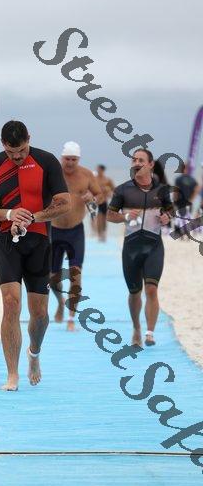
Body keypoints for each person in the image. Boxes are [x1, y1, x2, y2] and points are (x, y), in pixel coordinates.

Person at [0, 120, 70, 391]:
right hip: (8, 241)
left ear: (29, 139)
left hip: (39, 242)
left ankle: (34, 354)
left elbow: (65, 203)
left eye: (22, 151)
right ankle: (12, 374)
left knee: (39, 314)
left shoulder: (46, 161)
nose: (17, 157)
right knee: (11, 303)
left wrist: (32, 217)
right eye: (11, 152)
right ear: (3, 145)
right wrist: (8, 214)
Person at [107, 148, 173, 347]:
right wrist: (126, 216)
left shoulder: (162, 190)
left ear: (151, 165)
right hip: (131, 248)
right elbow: (110, 215)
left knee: (151, 289)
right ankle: (136, 328)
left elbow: (171, 211)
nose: (136, 163)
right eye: (134, 160)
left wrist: (167, 217)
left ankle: (149, 333)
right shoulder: (122, 190)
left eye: (141, 160)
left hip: (154, 247)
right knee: (135, 292)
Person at [50, 142, 104, 331]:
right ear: (61, 158)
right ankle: (59, 302)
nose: (70, 163)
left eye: (74, 159)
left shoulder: (86, 175)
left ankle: (71, 317)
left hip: (75, 231)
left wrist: (93, 199)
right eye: (67, 159)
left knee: (76, 275)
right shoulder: (53, 173)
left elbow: (100, 195)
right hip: (54, 230)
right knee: (52, 278)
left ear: (78, 159)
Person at [173, 162, 199, 237]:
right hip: (187, 202)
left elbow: (176, 191)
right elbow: (196, 189)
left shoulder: (179, 179)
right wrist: (191, 199)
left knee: (181, 217)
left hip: (182, 201)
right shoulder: (192, 179)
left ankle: (181, 233)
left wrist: (175, 200)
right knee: (186, 217)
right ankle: (185, 233)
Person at [95, 164, 115, 242]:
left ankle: (103, 233)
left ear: (102, 170)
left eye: (99, 169)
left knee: (104, 218)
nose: (97, 171)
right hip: (95, 201)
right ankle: (98, 234)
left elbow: (114, 189)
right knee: (98, 219)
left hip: (104, 201)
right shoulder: (94, 179)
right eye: (97, 169)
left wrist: (109, 192)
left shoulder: (107, 180)